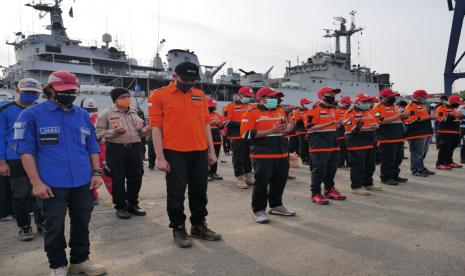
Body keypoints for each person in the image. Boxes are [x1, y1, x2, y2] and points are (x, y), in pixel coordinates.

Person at [14, 71, 106, 276]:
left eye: (72, 91)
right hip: (51, 183)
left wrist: (97, 172)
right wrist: (36, 183)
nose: (69, 94)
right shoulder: (30, 115)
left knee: (82, 222)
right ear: (50, 89)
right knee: (54, 226)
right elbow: (25, 151)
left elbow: (92, 146)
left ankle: (80, 260)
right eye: (64, 91)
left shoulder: (82, 115)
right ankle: (57, 265)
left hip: (82, 180)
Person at [148, 61, 221, 248]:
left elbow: (205, 124)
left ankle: (198, 225)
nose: (189, 83)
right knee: (176, 192)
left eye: (193, 80)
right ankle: (178, 227)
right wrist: (160, 156)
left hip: (199, 150)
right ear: (174, 76)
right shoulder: (159, 96)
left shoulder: (199, 95)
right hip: (174, 152)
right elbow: (156, 128)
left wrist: (211, 151)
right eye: (185, 79)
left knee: (199, 190)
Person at [241, 87, 296, 223]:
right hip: (263, 155)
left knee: (279, 182)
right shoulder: (251, 113)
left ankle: (276, 206)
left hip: (282, 153)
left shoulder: (281, 111)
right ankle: (258, 210)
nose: (276, 100)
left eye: (277, 97)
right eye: (273, 97)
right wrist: (270, 130)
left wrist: (288, 130)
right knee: (261, 183)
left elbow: (282, 130)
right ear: (261, 99)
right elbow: (245, 134)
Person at [0, 78, 44, 240]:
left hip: (38, 158)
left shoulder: (41, 110)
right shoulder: (5, 110)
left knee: (40, 192)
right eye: (28, 92)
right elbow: (0, 137)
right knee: (21, 193)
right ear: (18, 91)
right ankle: (24, 226)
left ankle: (42, 223)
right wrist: (2, 162)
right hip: (15, 158)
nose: (31, 95)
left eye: (34, 93)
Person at [96, 88, 149, 219]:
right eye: (124, 96)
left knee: (136, 177)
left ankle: (133, 204)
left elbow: (140, 128)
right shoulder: (106, 113)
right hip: (116, 149)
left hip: (135, 147)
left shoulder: (134, 112)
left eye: (128, 96)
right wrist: (112, 133)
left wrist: (144, 130)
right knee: (117, 178)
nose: (127, 99)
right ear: (116, 99)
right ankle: (120, 206)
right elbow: (98, 133)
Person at [304, 87, 346, 205]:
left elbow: (334, 126)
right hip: (319, 143)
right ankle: (316, 193)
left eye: (334, 94)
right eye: (330, 93)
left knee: (332, 167)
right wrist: (329, 123)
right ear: (322, 96)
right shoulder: (313, 110)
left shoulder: (334, 110)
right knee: (319, 169)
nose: (333, 95)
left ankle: (329, 189)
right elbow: (310, 127)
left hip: (333, 142)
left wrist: (339, 124)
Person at [343, 93, 383, 195]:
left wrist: (375, 126)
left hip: (369, 142)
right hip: (356, 143)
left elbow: (375, 123)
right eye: (364, 101)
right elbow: (349, 128)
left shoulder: (370, 111)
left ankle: (368, 184)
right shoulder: (350, 112)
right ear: (357, 102)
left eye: (367, 101)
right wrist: (368, 128)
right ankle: (356, 187)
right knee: (358, 166)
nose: (366, 103)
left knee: (370, 165)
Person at [372, 89, 409, 186]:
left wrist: (404, 116)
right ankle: (386, 177)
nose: (393, 98)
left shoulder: (395, 107)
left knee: (398, 158)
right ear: (383, 98)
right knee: (388, 160)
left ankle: (395, 175)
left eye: (394, 97)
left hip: (398, 137)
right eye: (391, 97)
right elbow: (382, 121)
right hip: (386, 139)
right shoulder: (378, 108)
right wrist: (399, 116)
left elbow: (399, 118)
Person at [223, 87, 254, 189]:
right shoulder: (230, 107)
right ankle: (239, 178)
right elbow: (226, 122)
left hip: (248, 136)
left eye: (249, 97)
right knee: (238, 158)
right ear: (239, 95)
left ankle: (248, 176)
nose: (248, 98)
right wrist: (243, 124)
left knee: (248, 157)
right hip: (237, 136)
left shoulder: (250, 106)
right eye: (246, 96)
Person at [404, 90, 436, 176]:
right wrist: (429, 117)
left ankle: (421, 167)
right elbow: (410, 119)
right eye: (424, 96)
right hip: (416, 133)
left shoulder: (422, 105)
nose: (425, 98)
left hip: (425, 132)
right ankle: (416, 169)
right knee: (417, 153)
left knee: (423, 152)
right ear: (417, 96)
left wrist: (429, 117)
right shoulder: (411, 106)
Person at [81, 98, 100, 205]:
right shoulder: (78, 117)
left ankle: (94, 194)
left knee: (98, 173)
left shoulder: (98, 117)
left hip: (97, 148)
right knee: (87, 173)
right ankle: (92, 194)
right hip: (83, 149)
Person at [435, 95, 463, 169]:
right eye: (457, 103)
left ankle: (449, 162)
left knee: (451, 147)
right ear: (451, 101)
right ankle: (439, 163)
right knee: (444, 148)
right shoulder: (441, 108)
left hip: (455, 131)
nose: (458, 104)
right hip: (445, 132)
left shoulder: (454, 109)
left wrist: (460, 116)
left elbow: (458, 118)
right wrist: (451, 116)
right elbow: (440, 119)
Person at [207, 97, 224, 181]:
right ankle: (206, 173)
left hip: (217, 140)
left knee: (215, 157)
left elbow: (222, 127)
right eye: (211, 106)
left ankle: (213, 172)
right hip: (206, 140)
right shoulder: (203, 114)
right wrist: (210, 123)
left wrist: (219, 124)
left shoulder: (217, 115)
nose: (212, 107)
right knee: (205, 157)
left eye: (213, 106)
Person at [292, 98, 311, 165]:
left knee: (308, 145)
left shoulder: (309, 111)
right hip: (301, 130)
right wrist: (304, 118)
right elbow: (296, 121)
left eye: (309, 103)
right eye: (307, 103)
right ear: (302, 104)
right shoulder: (297, 112)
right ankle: (303, 159)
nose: (308, 105)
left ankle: (309, 158)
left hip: (308, 130)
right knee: (303, 144)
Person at [336, 96, 352, 168]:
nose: (348, 105)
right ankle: (340, 163)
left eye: (349, 103)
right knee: (341, 150)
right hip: (340, 134)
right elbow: (336, 123)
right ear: (342, 103)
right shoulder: (337, 111)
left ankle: (349, 163)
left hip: (349, 133)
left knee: (349, 149)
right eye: (347, 103)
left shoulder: (350, 111)